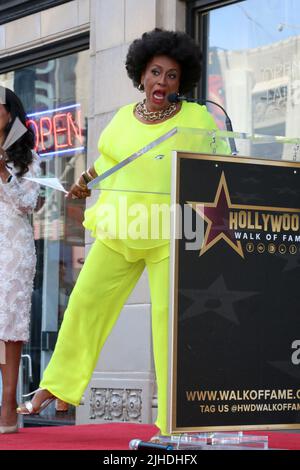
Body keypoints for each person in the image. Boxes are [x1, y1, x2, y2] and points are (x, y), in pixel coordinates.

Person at [17, 29, 227, 435]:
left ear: (181, 82)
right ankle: (56, 384)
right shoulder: (120, 118)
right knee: (85, 303)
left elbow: (219, 167)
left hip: (171, 233)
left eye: (171, 76)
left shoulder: (198, 119)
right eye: (155, 73)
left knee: (170, 326)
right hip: (120, 225)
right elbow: (110, 160)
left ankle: (173, 423)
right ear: (141, 74)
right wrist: (85, 181)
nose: (162, 83)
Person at [0, 86, 40, 434]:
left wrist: (3, 172)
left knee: (9, 330)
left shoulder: (26, 158)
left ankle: (9, 410)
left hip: (13, 250)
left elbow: (27, 204)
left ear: (10, 113)